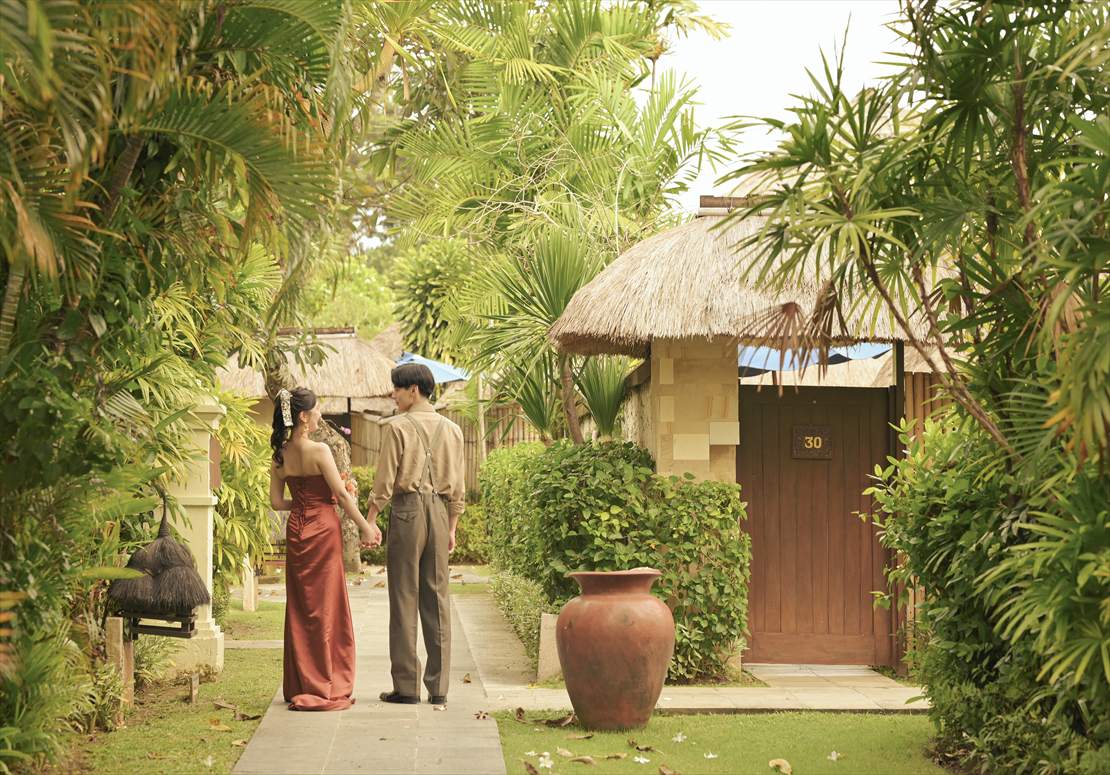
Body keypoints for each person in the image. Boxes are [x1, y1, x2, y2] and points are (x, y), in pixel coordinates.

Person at [269, 386, 382, 711]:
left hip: (298, 530)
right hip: (323, 530)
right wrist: (366, 526)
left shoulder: (279, 456)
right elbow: (343, 497)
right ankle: (326, 680)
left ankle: (302, 682)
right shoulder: (319, 451)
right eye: (317, 409)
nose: (321, 414)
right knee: (326, 605)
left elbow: (277, 502)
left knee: (302, 606)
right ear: (304, 416)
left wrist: (304, 502)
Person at [368, 364, 465, 706]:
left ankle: (406, 687)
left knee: (404, 595)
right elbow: (458, 484)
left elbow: (384, 481)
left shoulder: (396, 428)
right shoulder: (452, 430)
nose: (393, 395)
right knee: (437, 598)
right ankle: (439, 688)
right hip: (439, 511)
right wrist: (452, 526)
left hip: (407, 510)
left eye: (396, 389)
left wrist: (372, 517)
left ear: (413, 390)